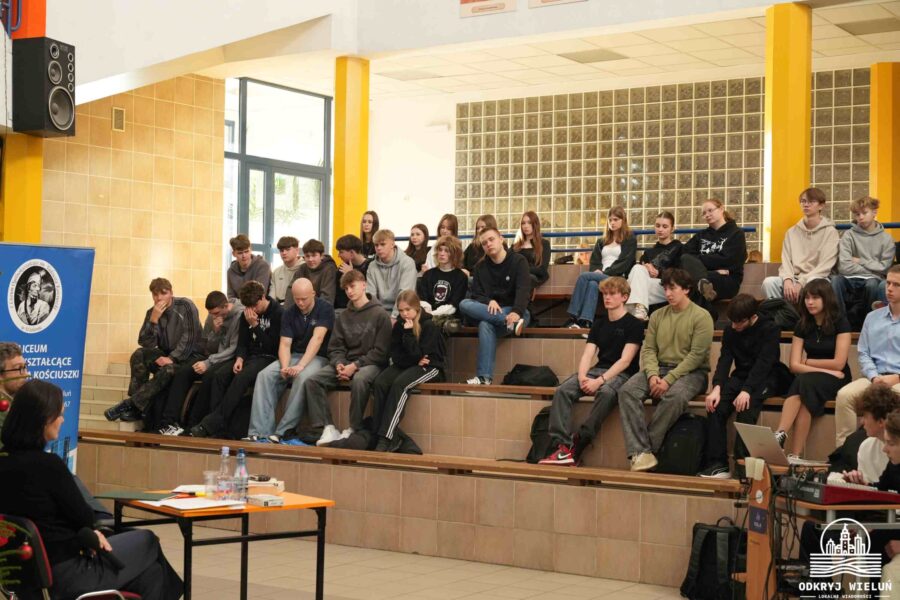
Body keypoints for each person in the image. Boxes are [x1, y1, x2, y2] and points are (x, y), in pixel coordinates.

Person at [0, 380, 183, 599]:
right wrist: (89, 533)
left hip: (26, 577)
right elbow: (84, 516)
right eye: (60, 414)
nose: (62, 420)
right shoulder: (48, 466)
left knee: (152, 575)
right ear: (45, 419)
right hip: (69, 572)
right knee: (148, 540)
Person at [539, 277, 644, 466]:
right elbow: (588, 354)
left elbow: (625, 361)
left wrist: (599, 381)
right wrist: (582, 377)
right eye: (605, 294)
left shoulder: (634, 324)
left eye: (612, 294)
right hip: (598, 369)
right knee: (563, 390)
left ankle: (581, 439)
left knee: (607, 392)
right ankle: (563, 446)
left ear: (624, 297)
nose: (607, 298)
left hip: (623, 374)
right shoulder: (599, 323)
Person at [617, 268, 713, 472]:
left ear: (686, 289)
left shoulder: (702, 316)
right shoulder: (657, 315)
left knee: (675, 396)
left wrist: (668, 380)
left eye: (673, 288)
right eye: (665, 289)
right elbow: (649, 349)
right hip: (659, 368)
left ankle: (647, 450)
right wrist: (652, 374)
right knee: (627, 391)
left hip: (692, 373)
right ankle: (641, 452)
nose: (668, 293)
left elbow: (696, 356)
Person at [303, 270, 392, 446]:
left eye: (352, 286)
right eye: (346, 288)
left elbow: (381, 352)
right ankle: (327, 427)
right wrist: (339, 364)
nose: (349, 291)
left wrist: (355, 366)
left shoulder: (380, 314)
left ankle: (354, 428)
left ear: (364, 285)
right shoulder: (343, 316)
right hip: (346, 363)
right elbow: (335, 347)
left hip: (371, 363)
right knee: (312, 381)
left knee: (360, 379)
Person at [698, 294, 783, 479]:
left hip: (767, 377)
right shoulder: (731, 330)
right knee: (715, 406)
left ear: (753, 317)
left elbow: (764, 363)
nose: (735, 326)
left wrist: (747, 390)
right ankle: (718, 464)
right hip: (741, 374)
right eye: (732, 321)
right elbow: (725, 360)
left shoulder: (770, 328)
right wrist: (717, 387)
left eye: (740, 322)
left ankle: (742, 466)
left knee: (746, 407)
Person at [190, 281, 282, 439]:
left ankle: (211, 423)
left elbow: (272, 347)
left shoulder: (278, 313)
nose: (252, 310)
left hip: (268, 357)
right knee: (219, 375)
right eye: (248, 306)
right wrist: (239, 358)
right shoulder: (247, 312)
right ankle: (217, 426)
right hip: (249, 356)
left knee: (241, 378)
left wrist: (255, 326)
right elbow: (243, 343)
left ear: (263, 297)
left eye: (254, 305)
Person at [247, 278, 334, 443]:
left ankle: (283, 431)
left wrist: (301, 366)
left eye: (304, 299)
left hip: (318, 357)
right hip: (294, 355)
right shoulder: (289, 312)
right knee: (265, 375)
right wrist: (285, 367)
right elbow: (285, 344)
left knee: (303, 377)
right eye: (297, 299)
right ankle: (259, 431)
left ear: (313, 294)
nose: (300, 303)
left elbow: (317, 339)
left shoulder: (325, 308)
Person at [104, 278, 202, 423]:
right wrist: (153, 321)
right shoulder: (152, 312)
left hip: (190, 357)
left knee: (168, 369)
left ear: (171, 293)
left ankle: (131, 405)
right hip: (167, 354)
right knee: (139, 354)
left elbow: (190, 338)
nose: (159, 298)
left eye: (164, 293)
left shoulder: (186, 306)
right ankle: (137, 407)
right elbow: (146, 343)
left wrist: (173, 358)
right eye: (155, 294)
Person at [774, 279, 851, 458]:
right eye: (807, 298)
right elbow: (794, 365)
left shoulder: (840, 322)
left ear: (826, 299)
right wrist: (826, 370)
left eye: (815, 298)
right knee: (805, 395)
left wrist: (808, 362)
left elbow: (839, 363)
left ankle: (780, 432)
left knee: (803, 383)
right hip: (815, 378)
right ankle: (795, 456)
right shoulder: (802, 324)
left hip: (838, 379)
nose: (810, 302)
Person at [153, 291, 243, 435]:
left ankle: (193, 424)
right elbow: (207, 345)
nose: (214, 316)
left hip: (227, 358)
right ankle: (168, 422)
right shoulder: (212, 316)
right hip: (211, 356)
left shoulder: (239, 315)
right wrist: (216, 331)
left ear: (226, 306)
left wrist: (208, 363)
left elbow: (233, 349)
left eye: (217, 313)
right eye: (211, 313)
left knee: (210, 376)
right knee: (183, 372)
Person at [834, 265, 900, 446]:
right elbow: (863, 352)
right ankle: (844, 452)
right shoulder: (872, 317)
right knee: (845, 395)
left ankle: (893, 451)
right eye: (888, 283)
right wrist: (874, 377)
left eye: (896, 285)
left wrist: (896, 378)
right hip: (874, 377)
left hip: (898, 379)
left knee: (892, 397)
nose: (889, 289)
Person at [371, 290, 445, 452]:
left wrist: (409, 335)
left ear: (416, 308)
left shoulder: (429, 325)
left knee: (400, 384)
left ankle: (386, 437)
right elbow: (396, 355)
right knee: (380, 382)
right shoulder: (399, 325)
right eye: (401, 310)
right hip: (409, 364)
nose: (404, 314)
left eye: (408, 309)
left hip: (431, 367)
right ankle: (377, 432)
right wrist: (414, 359)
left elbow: (423, 355)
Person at [458, 227, 531, 385]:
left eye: (491, 239)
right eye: (484, 243)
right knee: (464, 304)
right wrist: (488, 301)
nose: (488, 244)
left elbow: (524, 290)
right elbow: (476, 295)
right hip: (493, 312)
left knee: (485, 324)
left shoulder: (518, 261)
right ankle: (484, 378)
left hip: (516, 312)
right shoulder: (480, 267)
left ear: (501, 239)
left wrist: (516, 312)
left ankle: (484, 377)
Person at [762, 187, 839, 302]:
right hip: (794, 278)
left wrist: (802, 282)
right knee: (769, 283)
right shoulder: (791, 232)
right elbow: (786, 261)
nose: (806, 205)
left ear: (821, 206)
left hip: (818, 278)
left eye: (811, 201)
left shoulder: (830, 232)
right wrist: (787, 279)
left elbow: (826, 266)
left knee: (813, 282)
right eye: (803, 201)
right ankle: (780, 312)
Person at [565, 206, 637, 328]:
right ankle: (586, 321)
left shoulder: (629, 239)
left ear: (623, 220)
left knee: (583, 277)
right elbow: (595, 260)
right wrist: (596, 271)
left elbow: (624, 262)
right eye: (610, 220)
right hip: (601, 276)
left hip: (617, 277)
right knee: (592, 284)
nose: (612, 223)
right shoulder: (601, 241)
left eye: (616, 219)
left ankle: (573, 315)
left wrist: (604, 272)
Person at [831, 195, 894, 321]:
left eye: (864, 213)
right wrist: (873, 268)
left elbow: (885, 268)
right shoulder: (848, 235)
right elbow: (844, 267)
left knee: (872, 284)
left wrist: (860, 261)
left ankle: (866, 322)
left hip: (872, 280)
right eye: (857, 214)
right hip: (849, 278)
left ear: (874, 212)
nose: (860, 217)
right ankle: (841, 323)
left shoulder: (887, 239)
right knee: (835, 280)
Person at [681, 198, 747, 302]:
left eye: (710, 210)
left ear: (721, 209)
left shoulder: (736, 234)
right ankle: (705, 289)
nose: (707, 215)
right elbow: (685, 255)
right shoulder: (701, 235)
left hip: (726, 280)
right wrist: (714, 272)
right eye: (704, 213)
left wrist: (699, 261)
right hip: (709, 275)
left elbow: (729, 261)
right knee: (686, 264)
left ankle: (704, 285)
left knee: (693, 283)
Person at [626, 211, 683, 321]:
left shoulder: (679, 247)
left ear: (672, 229)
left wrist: (659, 273)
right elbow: (640, 276)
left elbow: (680, 273)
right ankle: (640, 310)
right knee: (637, 268)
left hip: (669, 286)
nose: (660, 229)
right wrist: (646, 269)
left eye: (664, 226)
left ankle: (633, 310)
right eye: (657, 226)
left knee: (634, 286)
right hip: (650, 287)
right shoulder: (648, 253)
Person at [417, 235, 468, 332]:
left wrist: (432, 314)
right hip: (427, 314)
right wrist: (428, 313)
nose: (442, 253)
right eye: (440, 250)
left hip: (449, 317)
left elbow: (453, 306)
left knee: (430, 325)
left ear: (454, 254)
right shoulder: (428, 274)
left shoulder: (461, 277)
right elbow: (423, 300)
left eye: (447, 251)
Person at [366, 229, 418, 319]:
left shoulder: (407, 263)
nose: (379, 248)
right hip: (379, 312)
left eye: (383, 244)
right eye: (376, 245)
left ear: (392, 244)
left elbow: (404, 294)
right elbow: (370, 294)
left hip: (403, 312)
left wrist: (394, 316)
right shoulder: (372, 266)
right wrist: (374, 315)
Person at [286, 239, 337, 308]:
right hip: (301, 308)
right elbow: (291, 289)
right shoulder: (302, 268)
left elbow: (327, 297)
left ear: (321, 256)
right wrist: (288, 311)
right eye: (307, 256)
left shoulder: (329, 269)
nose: (310, 259)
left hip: (321, 310)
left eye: (314, 255)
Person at [512, 210, 552, 289]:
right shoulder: (516, 246)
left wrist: (522, 269)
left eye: (529, 223)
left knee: (524, 278)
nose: (526, 226)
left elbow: (542, 269)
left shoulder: (544, 244)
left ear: (535, 224)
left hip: (533, 277)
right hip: (517, 277)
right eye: (523, 223)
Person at [226, 234, 272, 301]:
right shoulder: (231, 271)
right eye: (240, 253)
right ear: (234, 254)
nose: (244, 256)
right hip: (238, 306)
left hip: (259, 305)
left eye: (246, 251)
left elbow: (259, 296)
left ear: (251, 250)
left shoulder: (263, 266)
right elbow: (231, 297)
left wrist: (238, 304)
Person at [335, 234, 372, 310]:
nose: (339, 255)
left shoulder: (371, 266)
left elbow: (369, 290)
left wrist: (351, 274)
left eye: (341, 252)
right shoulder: (342, 269)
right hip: (345, 309)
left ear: (352, 253)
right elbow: (339, 298)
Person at [269, 236, 303, 305]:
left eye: (288, 249)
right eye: (281, 250)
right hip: (279, 307)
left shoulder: (305, 268)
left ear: (297, 250)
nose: (284, 253)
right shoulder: (276, 272)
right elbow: (272, 297)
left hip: (299, 305)